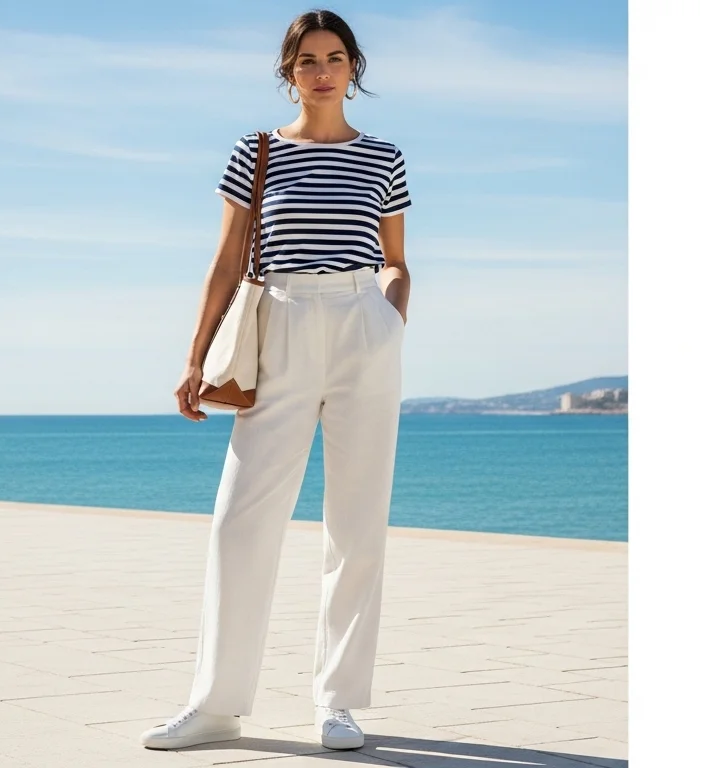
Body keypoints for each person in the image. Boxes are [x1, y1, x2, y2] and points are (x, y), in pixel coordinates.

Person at [140, 8, 413, 753]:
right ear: (288, 73)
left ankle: (339, 703)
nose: (321, 71)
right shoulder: (255, 151)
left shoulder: (383, 156)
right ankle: (217, 704)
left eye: (334, 57)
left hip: (364, 327)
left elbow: (396, 259)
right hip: (281, 323)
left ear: (354, 67)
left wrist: (391, 319)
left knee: (356, 526)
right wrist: (196, 358)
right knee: (239, 522)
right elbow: (227, 262)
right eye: (306, 61)